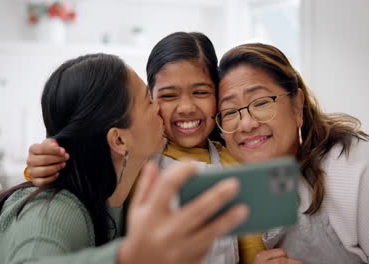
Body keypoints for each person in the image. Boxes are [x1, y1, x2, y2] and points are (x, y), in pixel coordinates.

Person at [0, 53, 248, 264]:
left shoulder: (121, 188)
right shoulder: (55, 210)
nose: (162, 110)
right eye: (150, 101)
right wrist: (132, 256)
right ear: (119, 140)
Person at [25, 32, 265, 264]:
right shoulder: (138, 154)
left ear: (218, 95)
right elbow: (85, 167)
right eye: (169, 96)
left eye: (201, 92)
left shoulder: (233, 163)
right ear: (151, 99)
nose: (186, 108)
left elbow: (250, 243)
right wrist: (44, 163)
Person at [215, 43, 369, 263]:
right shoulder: (228, 188)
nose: (247, 124)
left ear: (297, 106)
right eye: (230, 112)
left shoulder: (356, 166)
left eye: (261, 103)